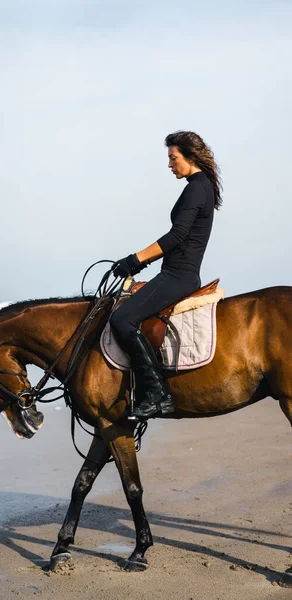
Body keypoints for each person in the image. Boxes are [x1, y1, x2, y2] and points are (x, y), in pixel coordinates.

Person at [110, 130, 222, 420]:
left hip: (179, 276)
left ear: (190, 157)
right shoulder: (199, 186)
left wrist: (135, 260)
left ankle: (156, 392)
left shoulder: (197, 188)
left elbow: (177, 236)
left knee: (122, 319)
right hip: (176, 272)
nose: (170, 165)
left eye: (173, 158)